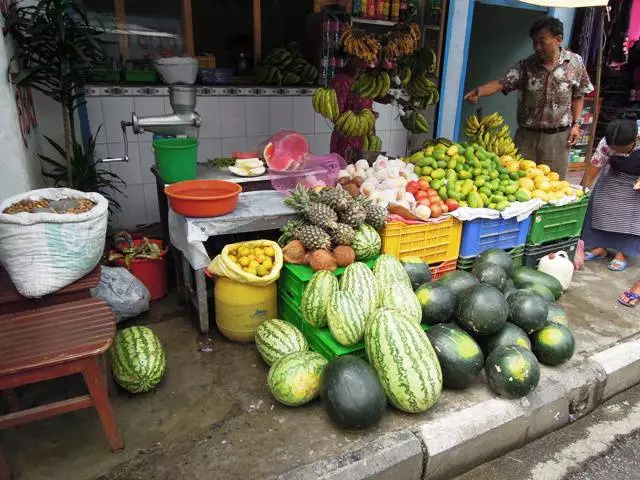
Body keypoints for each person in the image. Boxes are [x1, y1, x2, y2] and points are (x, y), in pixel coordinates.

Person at [464, 15, 593, 180]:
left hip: (558, 139)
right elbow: (502, 82)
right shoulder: (526, 66)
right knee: (518, 182)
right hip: (527, 137)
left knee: (553, 185)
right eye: (534, 42)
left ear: (558, 39)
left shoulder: (575, 63)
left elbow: (578, 96)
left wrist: (576, 124)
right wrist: (479, 91)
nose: (537, 47)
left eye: (542, 41)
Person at [580, 119, 640, 271]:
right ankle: (600, 247)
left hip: (636, 182)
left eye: (624, 150)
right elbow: (594, 167)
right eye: (615, 149)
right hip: (612, 175)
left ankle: (623, 253)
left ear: (635, 140)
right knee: (600, 207)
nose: (619, 153)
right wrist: (581, 191)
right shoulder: (606, 143)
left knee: (631, 216)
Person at [329, 59, 375, 162]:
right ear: (351, 57)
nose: (366, 62)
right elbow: (335, 115)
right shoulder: (341, 81)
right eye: (361, 58)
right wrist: (358, 117)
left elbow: (376, 95)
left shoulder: (364, 80)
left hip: (366, 137)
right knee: (345, 173)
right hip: (346, 139)